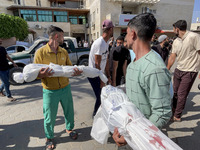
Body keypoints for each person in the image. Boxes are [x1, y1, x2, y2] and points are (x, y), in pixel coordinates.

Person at [112, 13, 172, 147]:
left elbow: (162, 113)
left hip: (143, 140)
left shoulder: (154, 68)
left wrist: (133, 136)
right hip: (130, 130)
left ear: (133, 34)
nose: (125, 37)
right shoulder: (133, 63)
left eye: (126, 33)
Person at [34, 26, 82, 150]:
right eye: (62, 35)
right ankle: (49, 137)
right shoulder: (40, 53)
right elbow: (34, 74)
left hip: (65, 88)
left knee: (69, 111)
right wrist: (42, 75)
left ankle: (69, 128)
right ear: (56, 36)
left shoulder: (63, 52)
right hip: (50, 90)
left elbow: (69, 68)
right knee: (49, 115)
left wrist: (75, 72)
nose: (63, 37)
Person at [167, 20, 200, 122]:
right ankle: (173, 110)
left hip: (190, 70)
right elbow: (173, 56)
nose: (173, 31)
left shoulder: (194, 37)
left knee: (182, 94)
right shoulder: (176, 41)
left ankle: (177, 115)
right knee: (175, 92)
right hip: (178, 69)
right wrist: (167, 69)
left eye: (174, 29)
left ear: (177, 29)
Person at [88, 19, 113, 116]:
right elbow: (97, 63)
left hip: (99, 74)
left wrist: (108, 76)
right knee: (100, 96)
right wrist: (102, 80)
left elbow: (105, 60)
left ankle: (100, 114)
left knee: (102, 96)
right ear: (110, 29)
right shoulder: (99, 43)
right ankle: (95, 115)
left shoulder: (106, 43)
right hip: (93, 74)